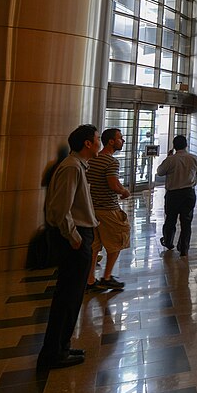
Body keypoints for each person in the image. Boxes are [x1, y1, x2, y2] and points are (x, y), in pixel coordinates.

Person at [39, 123, 100, 370]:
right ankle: (53, 352)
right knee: (67, 298)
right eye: (97, 138)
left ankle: (62, 347)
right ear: (87, 143)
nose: (99, 143)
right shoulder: (72, 168)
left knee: (73, 297)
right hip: (74, 240)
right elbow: (60, 209)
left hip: (80, 237)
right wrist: (74, 237)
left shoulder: (78, 166)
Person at [86, 127, 131, 292]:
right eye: (120, 138)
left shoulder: (92, 160)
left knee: (94, 246)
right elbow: (113, 184)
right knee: (117, 241)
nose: (123, 140)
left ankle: (90, 280)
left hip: (92, 209)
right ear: (111, 141)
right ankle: (106, 277)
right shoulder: (111, 161)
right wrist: (123, 191)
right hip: (108, 209)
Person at [157, 135, 197, 257]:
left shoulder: (171, 159)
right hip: (188, 193)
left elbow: (160, 172)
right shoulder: (194, 158)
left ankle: (168, 241)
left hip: (173, 194)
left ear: (174, 146)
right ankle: (184, 248)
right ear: (186, 145)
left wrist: (168, 157)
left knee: (170, 219)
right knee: (186, 222)